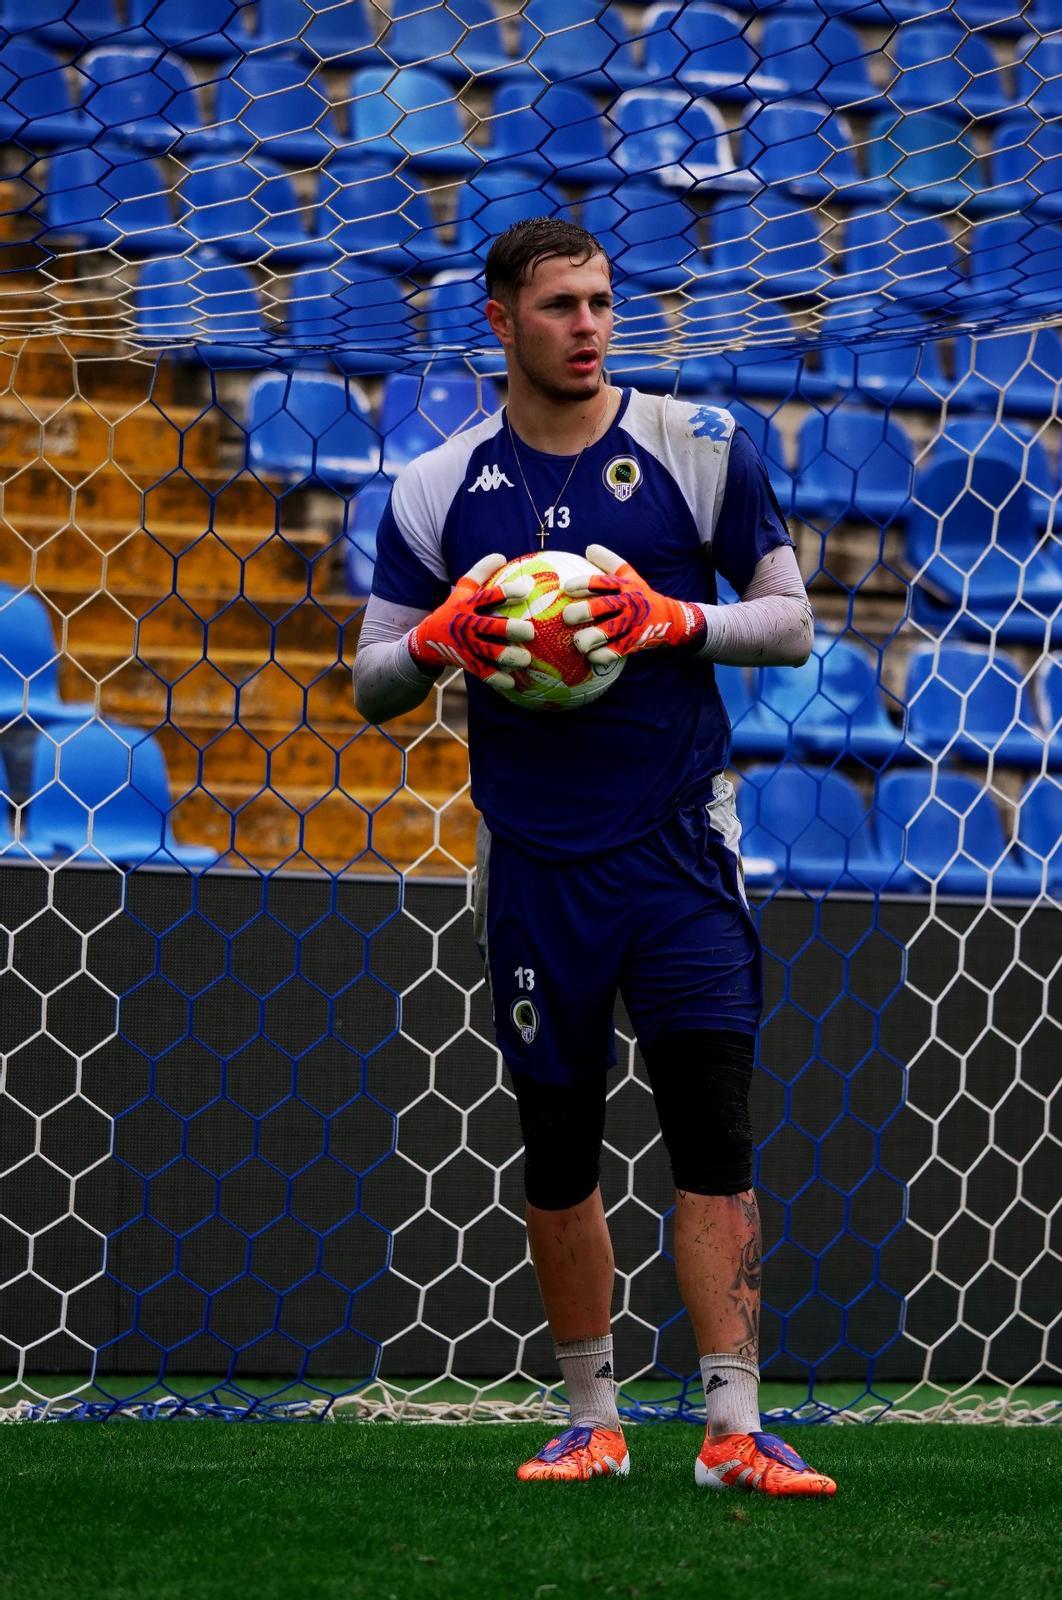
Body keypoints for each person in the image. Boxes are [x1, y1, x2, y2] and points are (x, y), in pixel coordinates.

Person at [354, 218, 835, 1498]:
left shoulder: (702, 447)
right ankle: (592, 1420)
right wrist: (444, 638)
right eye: (561, 305)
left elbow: (791, 623)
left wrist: (678, 619)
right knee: (557, 1146)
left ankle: (733, 1429)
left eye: (604, 303)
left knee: (711, 1134)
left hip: (678, 851)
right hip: (537, 867)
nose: (589, 327)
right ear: (501, 319)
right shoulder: (437, 488)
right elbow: (368, 681)